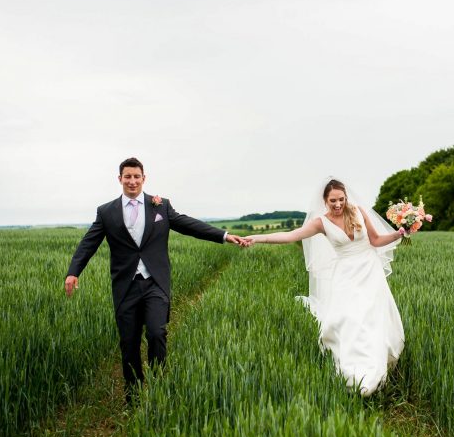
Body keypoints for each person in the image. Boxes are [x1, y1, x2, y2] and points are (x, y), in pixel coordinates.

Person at [64, 157, 248, 403]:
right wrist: (73, 271)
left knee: (156, 332)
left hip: (155, 283)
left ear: (144, 178)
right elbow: (89, 243)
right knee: (128, 343)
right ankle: (134, 397)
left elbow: (188, 225)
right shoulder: (106, 212)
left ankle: (159, 389)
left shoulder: (160, 206)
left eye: (136, 176)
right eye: (127, 177)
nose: (132, 181)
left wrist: (224, 236)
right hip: (125, 286)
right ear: (120, 179)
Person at [247, 178, 405, 396]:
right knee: (349, 319)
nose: (338, 204)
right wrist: (256, 238)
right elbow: (291, 236)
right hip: (345, 276)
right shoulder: (321, 223)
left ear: (346, 197)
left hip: (370, 271)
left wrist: (399, 233)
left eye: (341, 199)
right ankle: (354, 370)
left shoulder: (358, 211)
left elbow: (376, 240)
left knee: (371, 317)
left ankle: (376, 364)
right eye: (333, 201)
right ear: (325, 200)